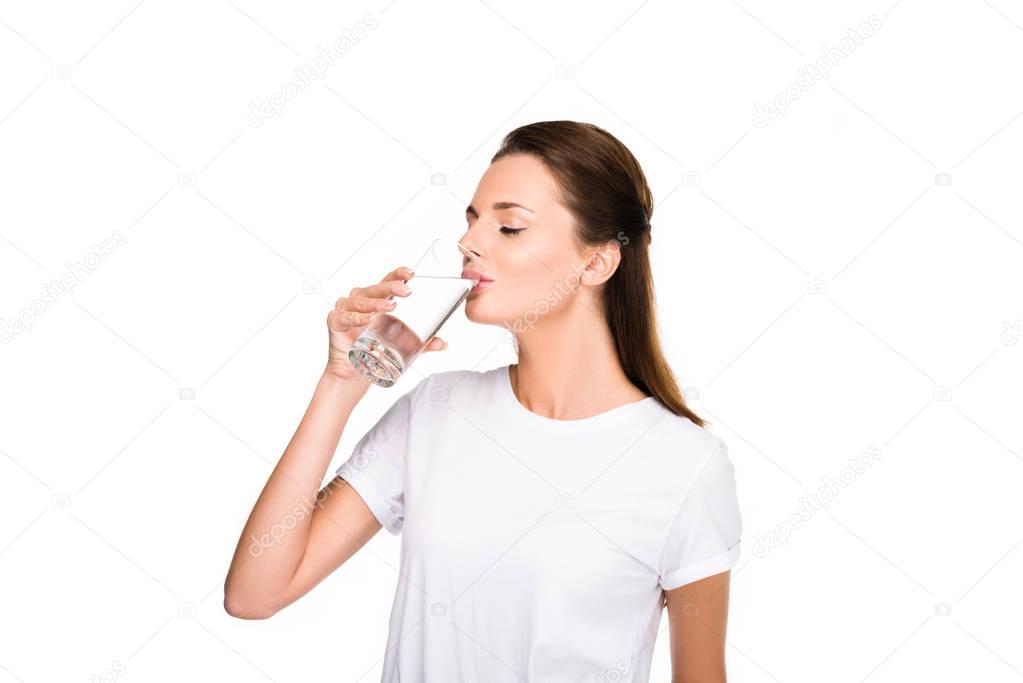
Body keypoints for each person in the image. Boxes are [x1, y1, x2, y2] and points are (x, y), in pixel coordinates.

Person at [224, 120, 743, 683]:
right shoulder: (435, 413)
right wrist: (338, 387)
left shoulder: (685, 465)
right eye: (472, 220)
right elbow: (255, 594)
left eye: (511, 227)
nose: (469, 242)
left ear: (597, 262)